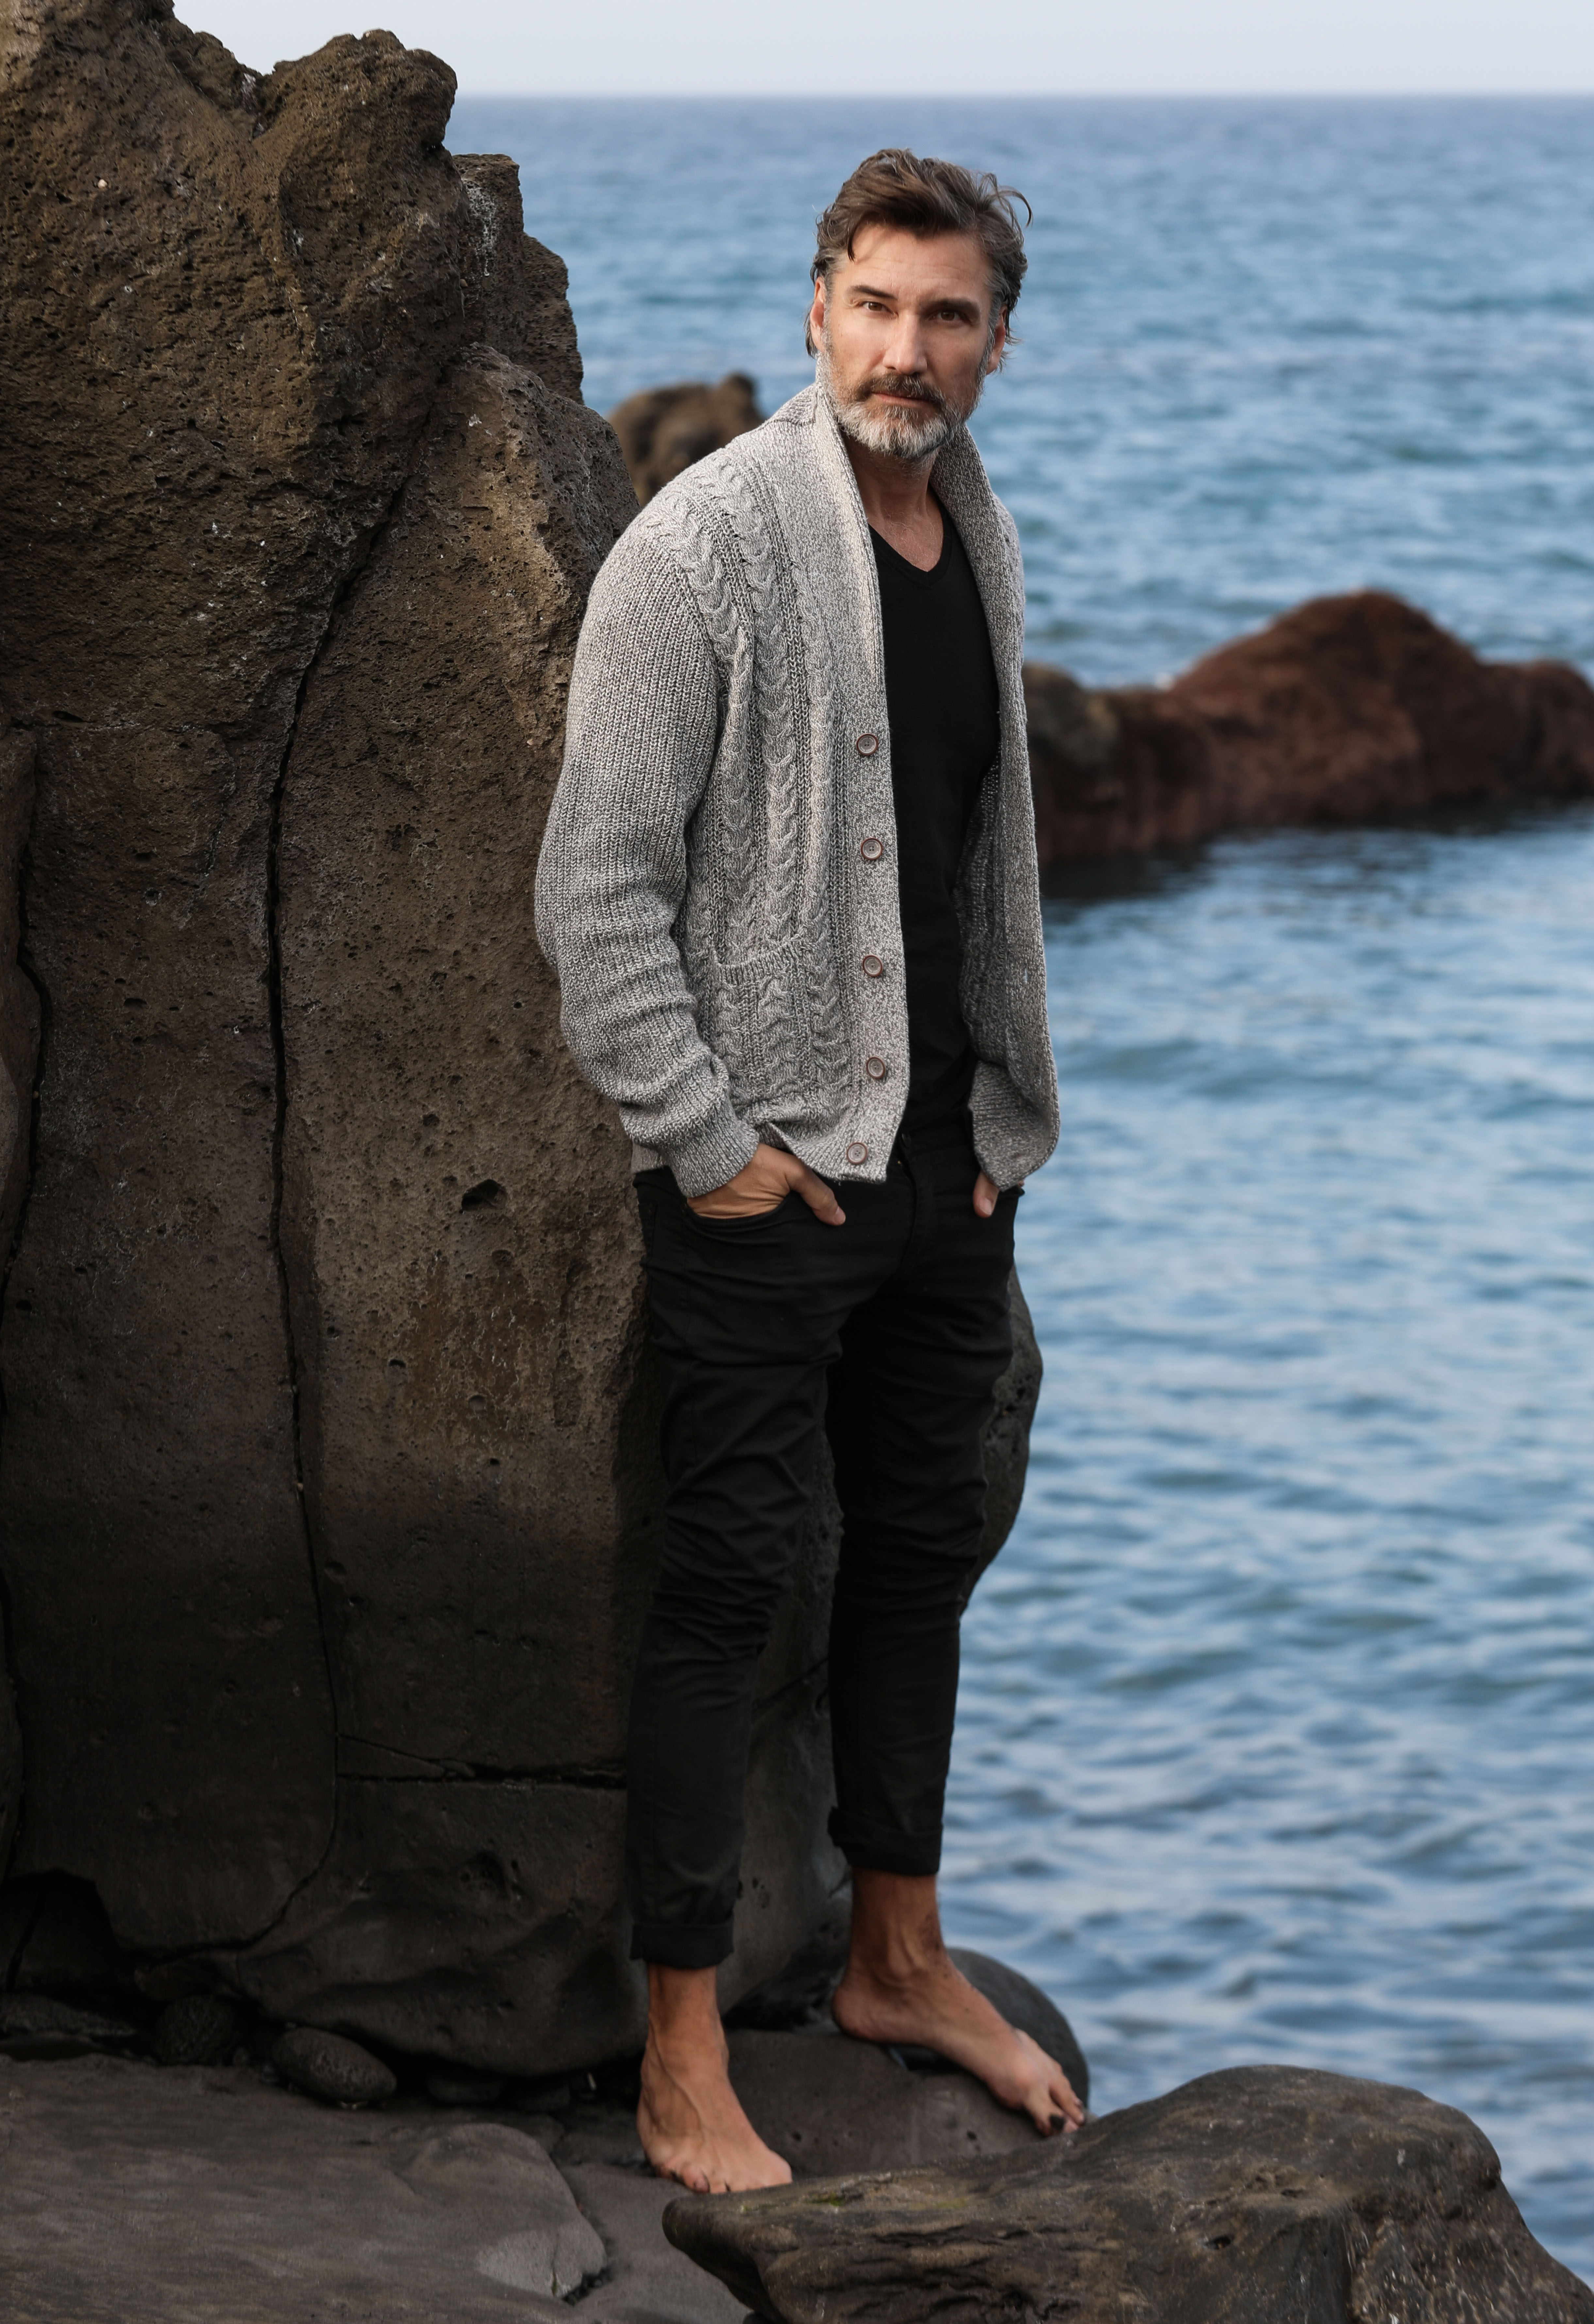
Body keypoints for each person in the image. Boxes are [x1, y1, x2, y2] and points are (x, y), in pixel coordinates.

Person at [535, 147, 1079, 2193]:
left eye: (947, 316)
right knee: (729, 1583)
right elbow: (596, 887)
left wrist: (996, 1128)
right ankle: (681, 2055)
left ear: (995, 344)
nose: (904, 348)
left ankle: (896, 1961)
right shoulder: (699, 549)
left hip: (945, 1163)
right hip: (767, 1173)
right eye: (874, 303)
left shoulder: (974, 533)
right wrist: (706, 1142)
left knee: (915, 1560)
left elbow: (968, 854)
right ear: (814, 310)